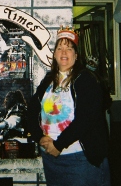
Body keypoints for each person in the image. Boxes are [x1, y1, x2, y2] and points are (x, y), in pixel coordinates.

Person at [27, 26, 111, 186]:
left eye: (69, 48)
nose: (64, 53)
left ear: (76, 55)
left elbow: (86, 119)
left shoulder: (86, 79)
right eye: (60, 48)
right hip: (51, 157)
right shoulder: (48, 80)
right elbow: (32, 110)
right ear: (54, 54)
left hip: (80, 159)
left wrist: (58, 145)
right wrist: (39, 137)